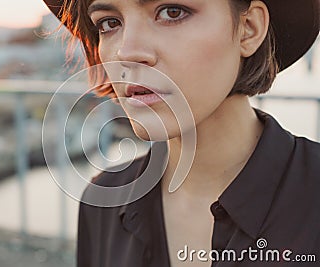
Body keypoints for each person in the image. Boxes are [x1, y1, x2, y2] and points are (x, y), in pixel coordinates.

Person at [43, 0, 320, 266]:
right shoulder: (103, 204)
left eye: (172, 12)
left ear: (249, 28)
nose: (126, 52)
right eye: (109, 23)